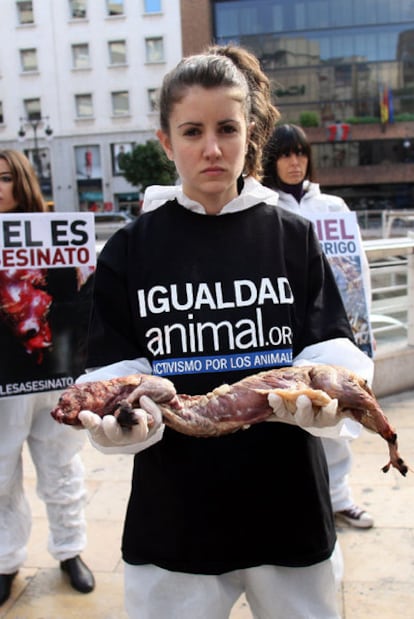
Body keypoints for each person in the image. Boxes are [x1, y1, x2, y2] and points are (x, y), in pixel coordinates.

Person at [76, 45, 373, 619]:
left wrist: (335, 403)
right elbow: (114, 374)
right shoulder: (130, 251)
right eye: (192, 131)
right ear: (166, 142)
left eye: (227, 129)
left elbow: (330, 347)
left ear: (249, 131)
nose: (211, 148)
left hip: (287, 505)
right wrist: (117, 426)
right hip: (175, 516)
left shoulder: (293, 237)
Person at [262, 123, 374, 529]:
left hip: (332, 327)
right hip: (286, 329)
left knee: (337, 414)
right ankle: (299, 504)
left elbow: (357, 271)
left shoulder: (334, 208)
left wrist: (362, 328)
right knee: (290, 418)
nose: (295, 162)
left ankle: (340, 498)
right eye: (285, 154)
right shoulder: (264, 210)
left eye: (301, 153)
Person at [0, 150, 95, 606]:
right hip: (2, 379)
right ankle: (6, 561)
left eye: (2, 178)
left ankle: (69, 551)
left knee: (62, 465)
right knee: (1, 474)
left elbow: (81, 294)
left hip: (55, 372)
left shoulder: (54, 231)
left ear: (20, 180)